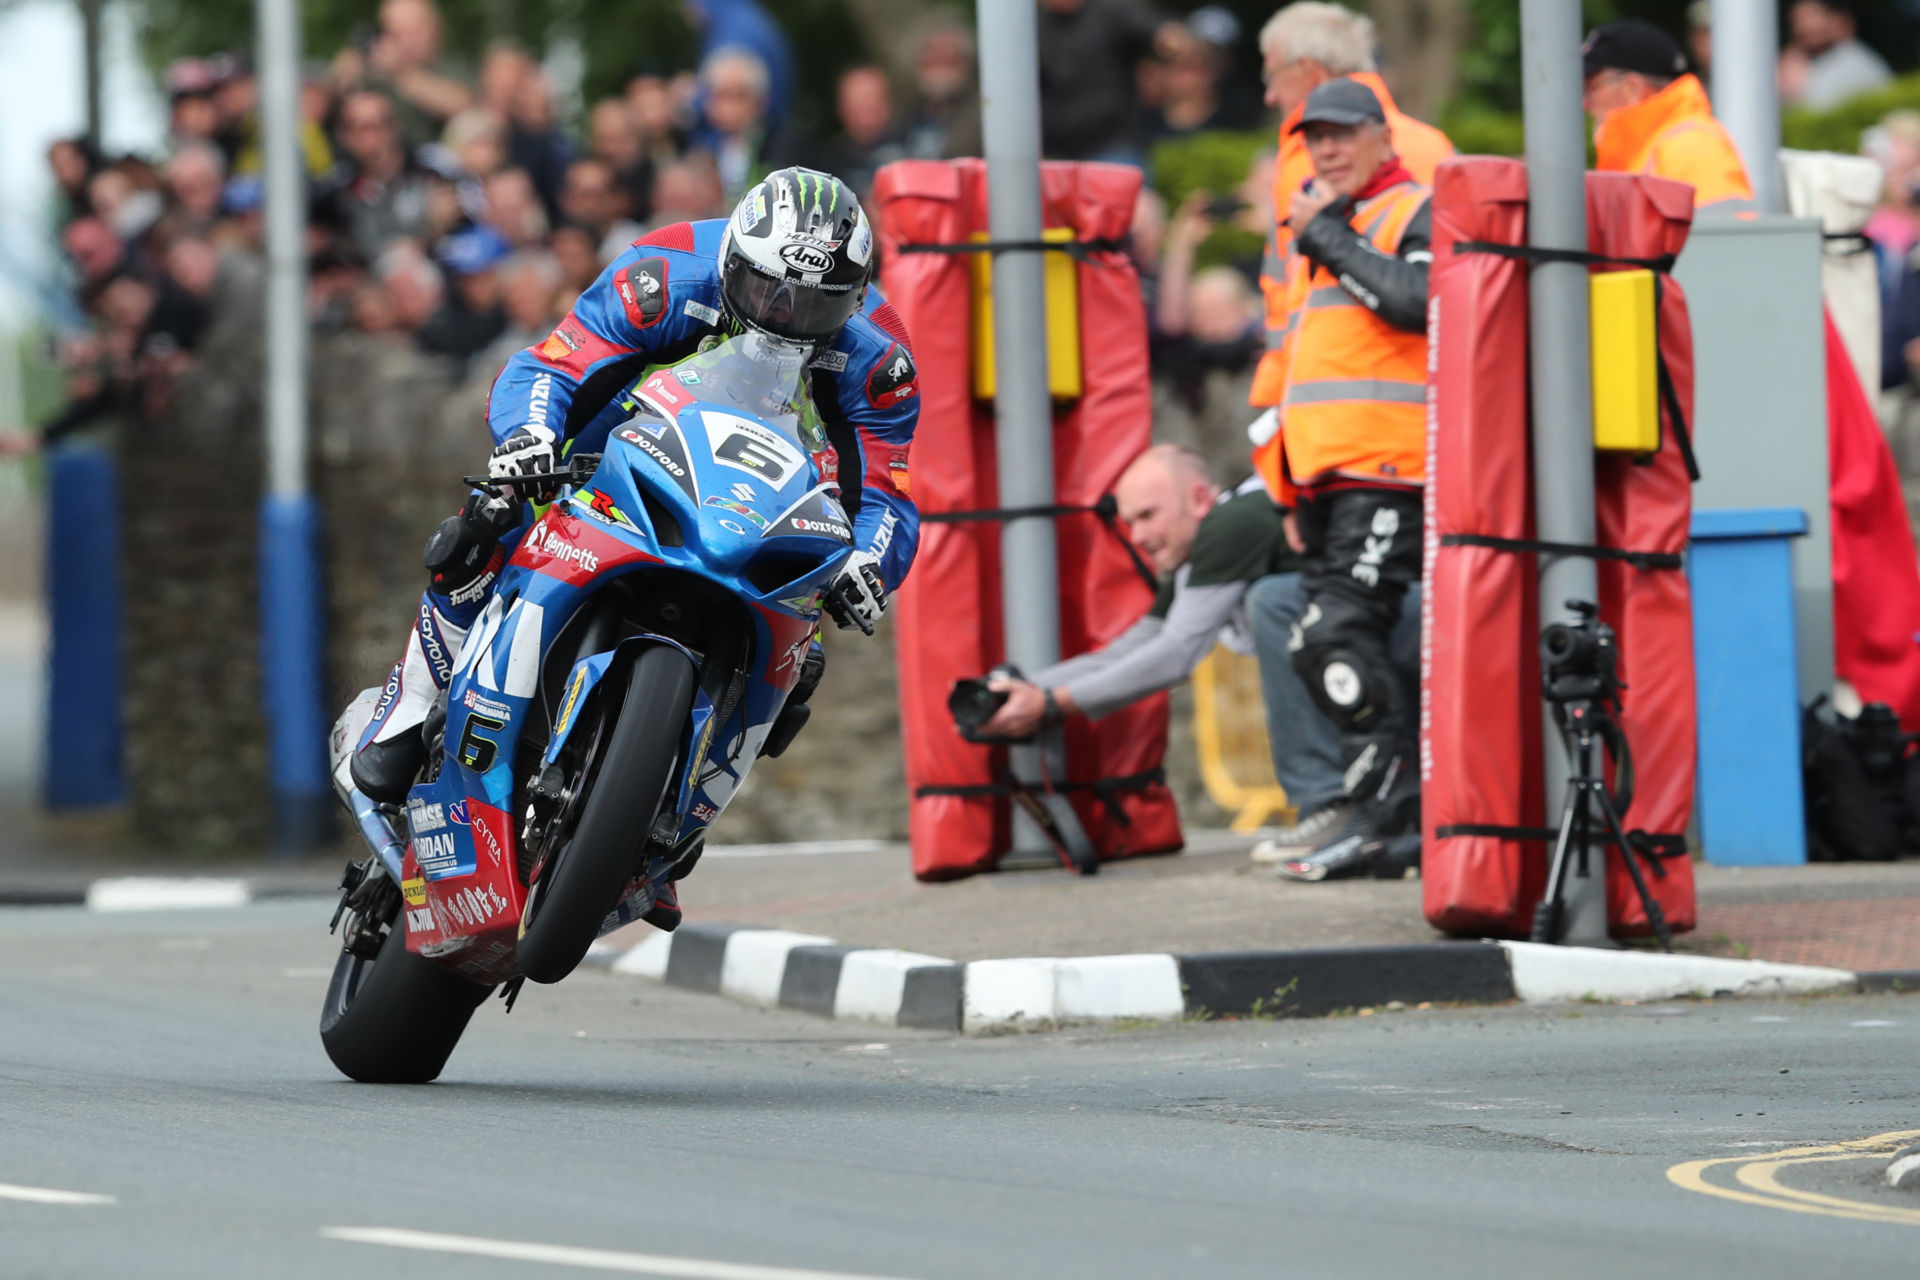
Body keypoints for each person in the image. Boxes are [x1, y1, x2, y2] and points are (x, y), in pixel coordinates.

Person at [345, 167, 919, 931]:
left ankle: (671, 824)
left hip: (763, 502)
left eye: (814, 303)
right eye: (769, 291)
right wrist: (530, 439)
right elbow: (555, 362)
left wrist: (870, 563)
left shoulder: (879, 362)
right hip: (619, 443)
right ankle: (410, 708)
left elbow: (888, 491)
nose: (784, 316)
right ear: (735, 263)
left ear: (851, 298)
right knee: (491, 518)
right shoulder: (665, 273)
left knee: (801, 652)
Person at [1254, 79, 1433, 881]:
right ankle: (1367, 810)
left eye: (1342, 134)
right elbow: (1302, 371)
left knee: (1333, 637)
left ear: (1383, 137)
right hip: (1331, 483)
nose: (1325, 150)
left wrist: (1324, 234)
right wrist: (1291, 487)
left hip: (1392, 471)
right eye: (1313, 137)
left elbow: (1416, 303)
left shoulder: (1409, 210)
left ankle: (1392, 817)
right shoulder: (1326, 229)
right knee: (1312, 636)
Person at [978, 445, 1302, 742]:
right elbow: (1135, 647)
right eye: (1130, 523)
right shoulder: (1202, 548)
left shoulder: (1230, 525)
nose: (1138, 536)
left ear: (1200, 500)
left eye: (1148, 515)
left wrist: (1049, 703)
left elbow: (1176, 653)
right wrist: (1028, 689)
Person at [1249, 2, 1453, 417]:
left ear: (1309, 71)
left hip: (1363, 411)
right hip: (1336, 404)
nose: (1270, 95)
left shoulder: (1316, 152)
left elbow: (1419, 293)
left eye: (1273, 75)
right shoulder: (1430, 143)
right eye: (1319, 138)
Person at [1583, 19, 1754, 217]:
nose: (1585, 103)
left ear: (1632, 89)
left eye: (1591, 88)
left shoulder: (1692, 147)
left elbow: (1725, 243)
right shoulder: (1652, 147)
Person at [1780, 0, 1891, 111]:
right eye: (1797, 19)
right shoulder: (1796, 62)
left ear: (1836, 20)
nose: (1805, 25)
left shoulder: (1854, 60)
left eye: (1812, 15)